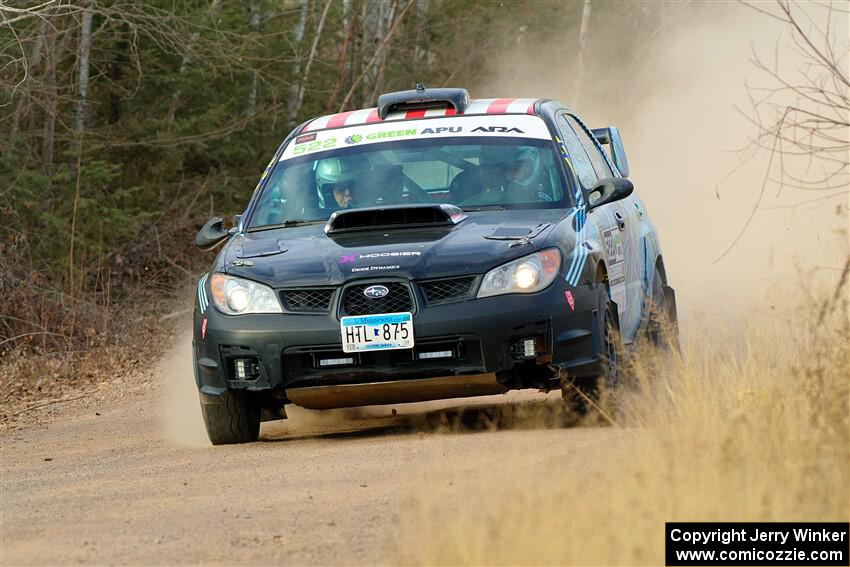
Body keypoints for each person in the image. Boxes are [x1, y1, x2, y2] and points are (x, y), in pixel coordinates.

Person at [451, 145, 540, 205]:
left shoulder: (517, 189)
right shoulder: (464, 180)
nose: (495, 173)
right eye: (490, 169)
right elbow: (458, 211)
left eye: (500, 169)